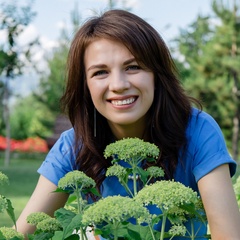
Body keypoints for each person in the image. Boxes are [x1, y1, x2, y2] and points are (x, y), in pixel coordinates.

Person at [16, 9, 240, 240]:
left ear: (156, 74)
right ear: (85, 86)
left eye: (133, 67)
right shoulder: (73, 146)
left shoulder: (198, 130)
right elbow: (20, 235)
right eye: (100, 72)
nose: (119, 85)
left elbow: (228, 235)